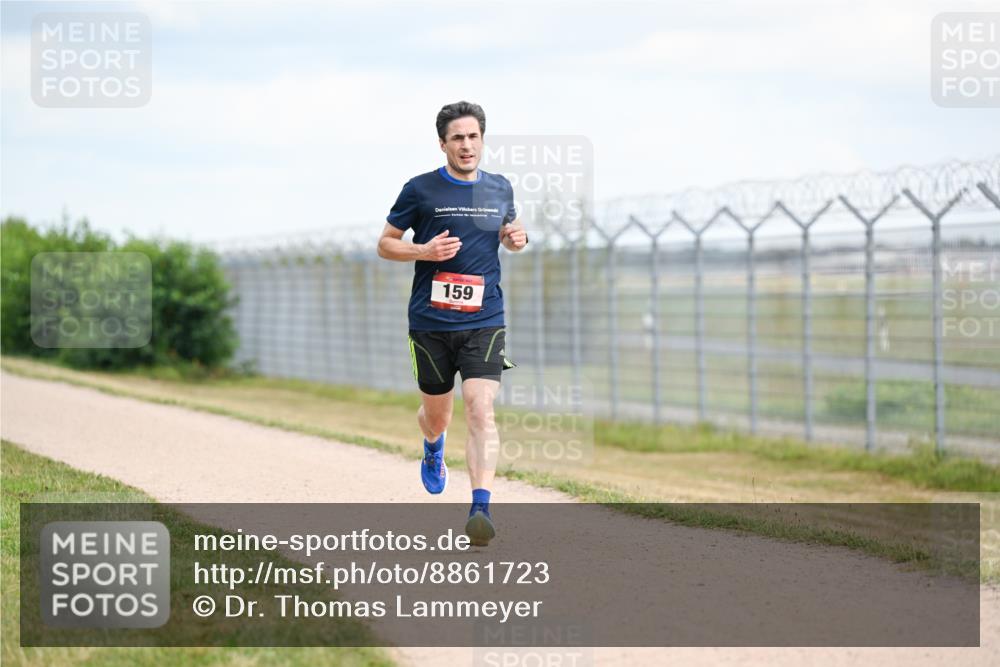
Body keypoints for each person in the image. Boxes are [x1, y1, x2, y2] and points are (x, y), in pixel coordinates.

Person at [377, 101, 528, 546]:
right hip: (430, 321)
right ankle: (432, 447)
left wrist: (517, 239)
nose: (466, 145)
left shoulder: (500, 188)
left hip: (485, 318)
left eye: (473, 136)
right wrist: (423, 251)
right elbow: (386, 244)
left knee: (481, 407)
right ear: (443, 143)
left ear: (483, 140)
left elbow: (510, 234)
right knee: (437, 417)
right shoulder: (420, 190)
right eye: (457, 138)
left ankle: (481, 507)